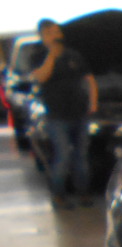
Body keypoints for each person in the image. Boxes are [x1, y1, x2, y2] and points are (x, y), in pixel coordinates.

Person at [28, 18, 97, 209]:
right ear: (43, 36)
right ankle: (59, 195)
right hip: (57, 117)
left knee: (81, 156)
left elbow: (89, 79)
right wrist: (52, 55)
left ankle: (83, 193)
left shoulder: (73, 55)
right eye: (51, 33)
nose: (56, 36)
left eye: (57, 32)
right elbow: (41, 77)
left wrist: (93, 103)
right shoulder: (38, 55)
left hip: (80, 113)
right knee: (63, 156)